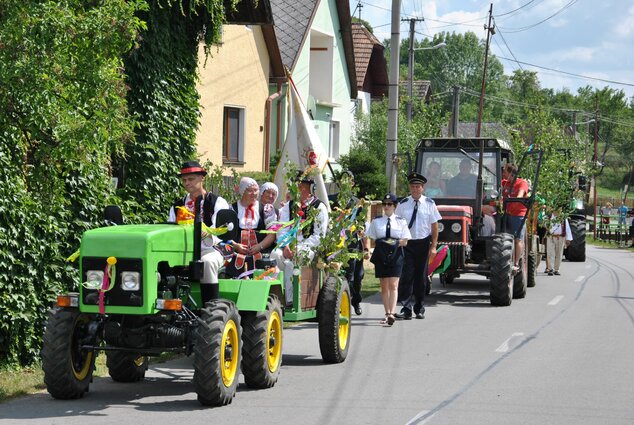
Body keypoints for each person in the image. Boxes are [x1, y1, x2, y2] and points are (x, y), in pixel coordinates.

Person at [168, 160, 230, 303]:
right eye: (184, 180)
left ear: (202, 178)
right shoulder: (177, 206)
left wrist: (206, 233)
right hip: (183, 250)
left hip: (211, 249)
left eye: (191, 179)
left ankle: (211, 306)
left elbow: (221, 232)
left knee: (207, 262)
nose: (187, 183)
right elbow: (171, 229)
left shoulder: (217, 202)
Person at [271, 172, 329, 307]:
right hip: (289, 245)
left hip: (309, 247)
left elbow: (319, 236)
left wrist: (299, 247)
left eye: (300, 186)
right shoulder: (289, 206)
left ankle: (290, 301)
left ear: (307, 188)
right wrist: (285, 246)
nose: (297, 189)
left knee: (294, 262)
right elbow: (282, 228)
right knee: (274, 255)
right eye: (296, 186)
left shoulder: (319, 207)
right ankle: (275, 297)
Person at [394, 172, 441, 320]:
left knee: (420, 278)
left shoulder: (429, 204)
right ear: (410, 187)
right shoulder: (402, 205)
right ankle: (406, 308)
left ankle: (419, 308)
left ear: (423, 188)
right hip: (407, 244)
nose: (415, 189)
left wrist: (433, 247)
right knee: (406, 277)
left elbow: (434, 227)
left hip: (422, 243)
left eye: (418, 186)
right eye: (413, 186)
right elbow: (396, 225)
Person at [366, 194, 411, 326]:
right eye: (384, 204)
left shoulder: (401, 221)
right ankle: (387, 313)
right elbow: (371, 238)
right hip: (381, 255)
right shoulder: (376, 221)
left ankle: (392, 313)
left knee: (393, 285)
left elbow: (405, 241)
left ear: (395, 206)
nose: (386, 206)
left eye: (389, 204)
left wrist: (394, 243)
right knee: (384, 285)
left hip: (396, 255)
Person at [225, 177, 277, 277]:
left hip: (261, 252)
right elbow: (224, 233)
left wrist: (259, 246)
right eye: (249, 190)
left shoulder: (266, 209)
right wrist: (235, 245)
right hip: (236, 253)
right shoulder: (231, 208)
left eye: (256, 190)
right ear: (242, 191)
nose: (254, 193)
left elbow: (272, 234)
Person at [339, 171, 368, 316]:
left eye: (349, 181)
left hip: (354, 244)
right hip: (338, 245)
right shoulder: (333, 201)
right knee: (345, 276)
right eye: (343, 180)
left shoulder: (358, 203)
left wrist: (366, 247)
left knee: (357, 276)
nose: (346, 183)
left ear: (353, 184)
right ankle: (344, 306)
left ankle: (356, 301)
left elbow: (363, 226)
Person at [501, 163, 529, 272]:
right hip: (506, 213)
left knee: (517, 238)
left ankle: (517, 263)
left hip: (518, 215)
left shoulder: (522, 183)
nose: (503, 173)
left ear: (511, 174)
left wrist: (518, 197)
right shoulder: (504, 183)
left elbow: (521, 194)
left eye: (505, 172)